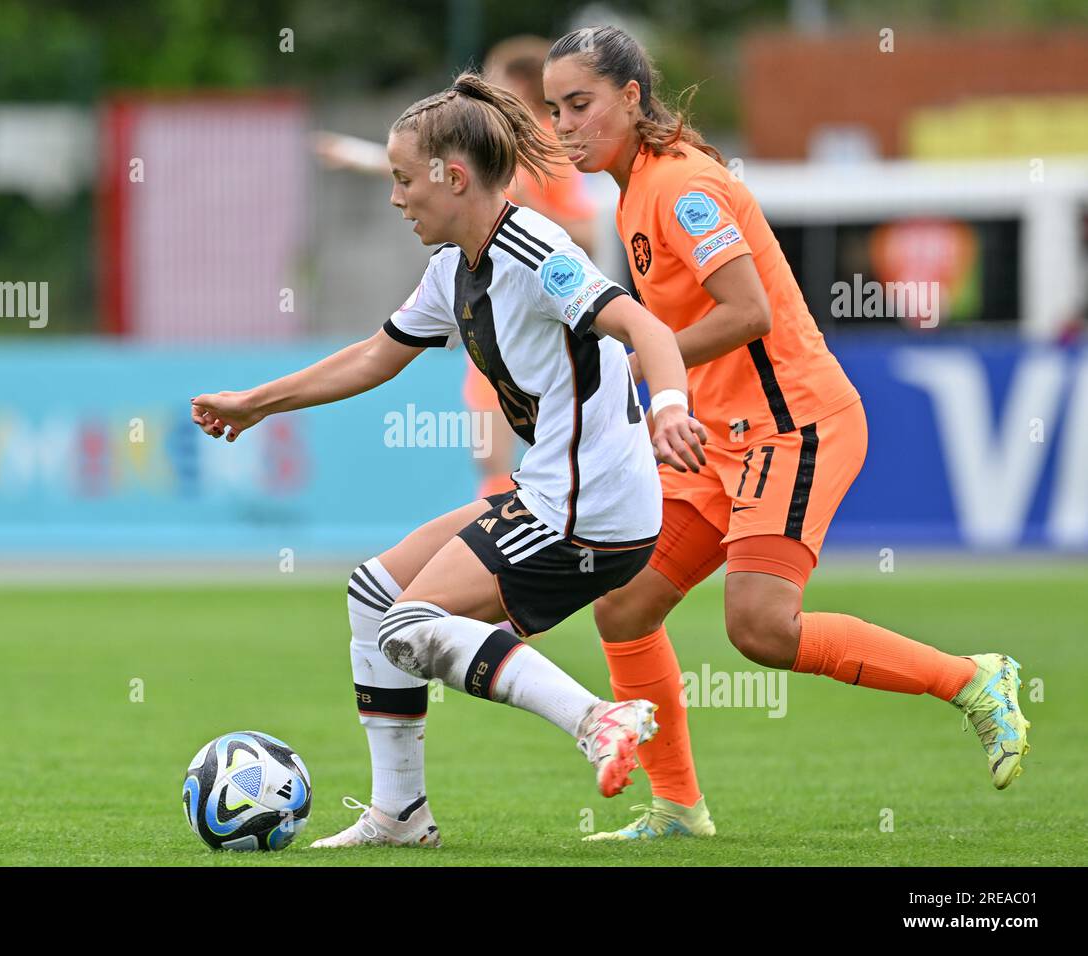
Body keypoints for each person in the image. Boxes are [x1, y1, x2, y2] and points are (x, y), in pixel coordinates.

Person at [541, 25, 1031, 842]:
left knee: (760, 628)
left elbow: (749, 313)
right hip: (722, 439)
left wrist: (639, 370)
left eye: (580, 105)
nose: (563, 126)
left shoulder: (680, 187)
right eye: (554, 109)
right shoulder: (630, 192)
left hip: (793, 426)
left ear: (632, 97)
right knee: (623, 605)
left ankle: (974, 679)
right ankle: (676, 810)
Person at [192, 71, 708, 848]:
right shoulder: (453, 267)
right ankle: (399, 814)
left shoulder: (539, 252)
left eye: (403, 181)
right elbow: (375, 356)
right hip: (550, 493)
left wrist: (670, 408)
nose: (396, 198)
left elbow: (648, 329)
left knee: (410, 626)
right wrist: (256, 403)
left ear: (453, 178)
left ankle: (596, 719)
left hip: (590, 508)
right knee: (376, 594)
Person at [315, 35, 598, 501]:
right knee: (489, 451)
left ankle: (534, 533)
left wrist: (522, 210)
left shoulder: (546, 153)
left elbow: (587, 236)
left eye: (496, 79)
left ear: (521, 84)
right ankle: (497, 533)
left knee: (558, 447)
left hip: (542, 316)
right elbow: (428, 171)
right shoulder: (469, 183)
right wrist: (357, 155)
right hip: (488, 312)